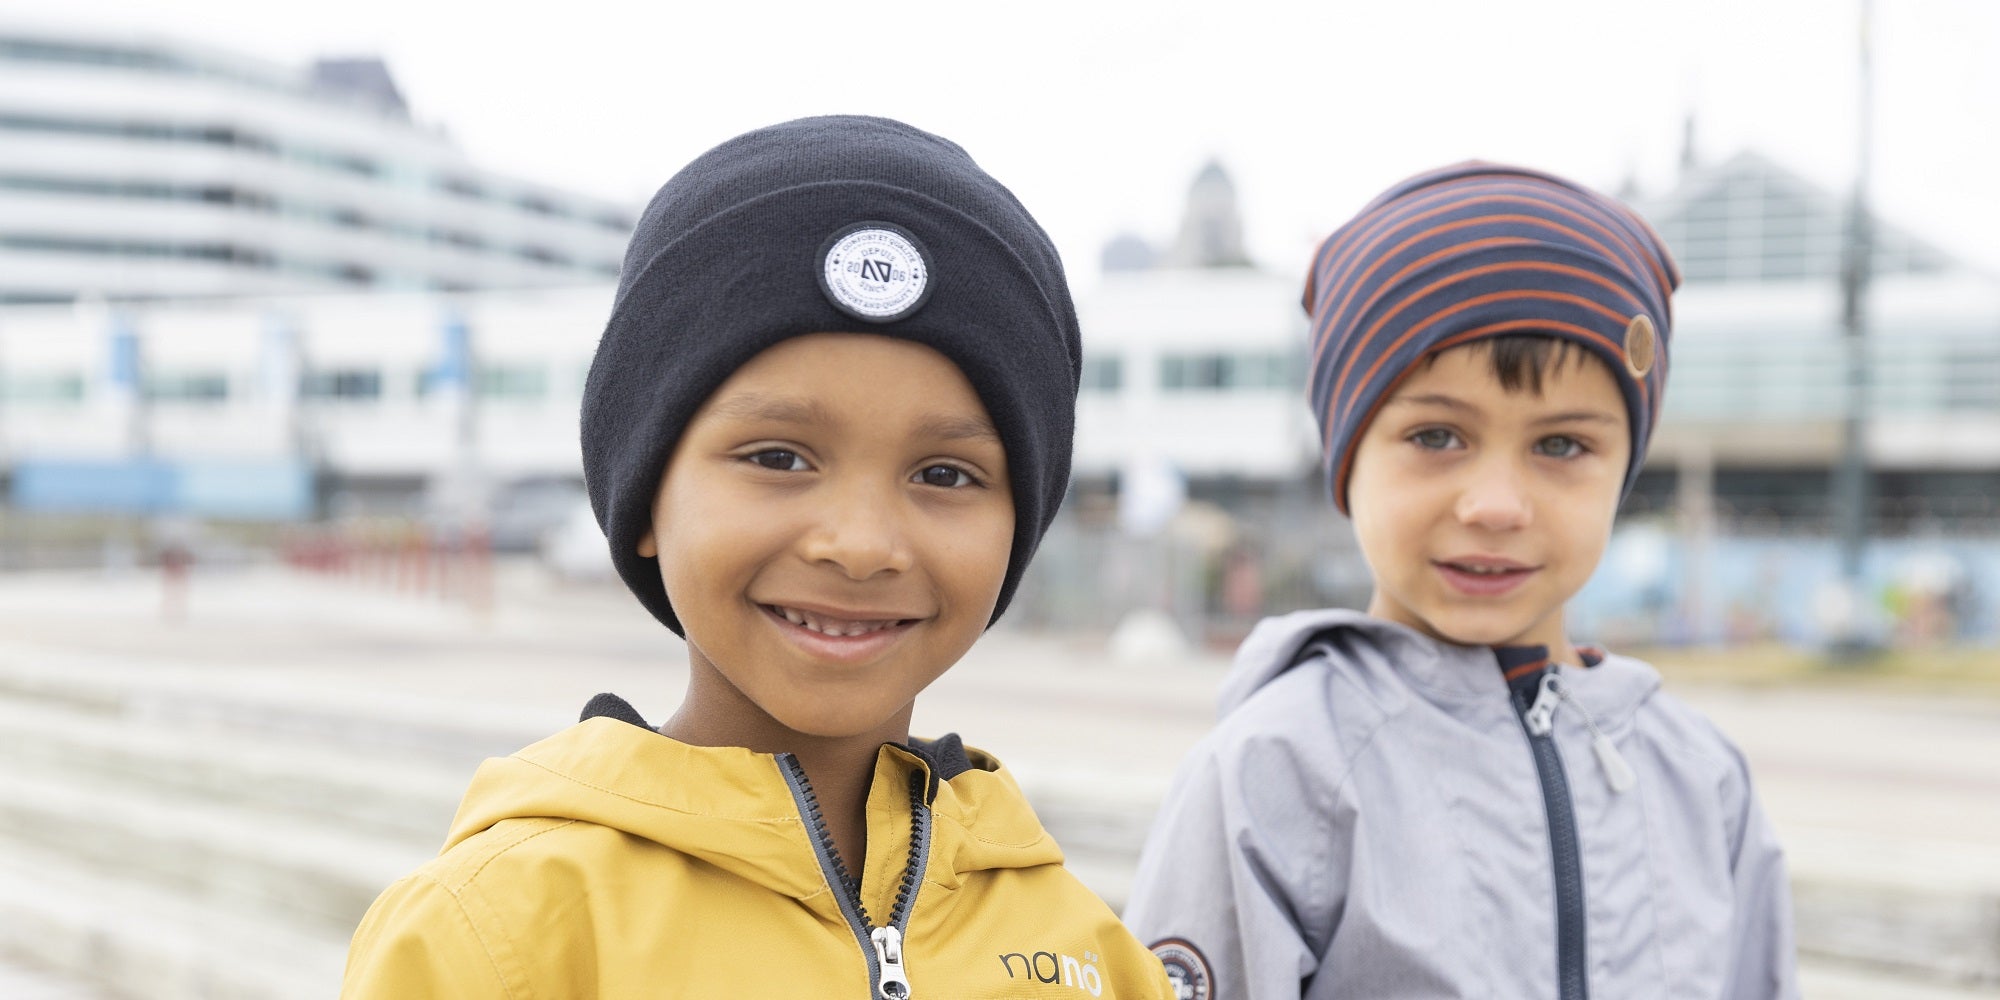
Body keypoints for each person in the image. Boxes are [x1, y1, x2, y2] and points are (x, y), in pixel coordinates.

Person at [341, 115, 1171, 999]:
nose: (859, 545)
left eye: (944, 473)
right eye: (779, 458)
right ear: (647, 494)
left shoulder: (1093, 957)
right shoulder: (494, 936)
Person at [1122, 163, 1797, 999]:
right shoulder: (1274, 772)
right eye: (1438, 436)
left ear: (1625, 470)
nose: (1495, 505)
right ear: (1347, 455)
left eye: (1561, 447)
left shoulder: (1702, 781)